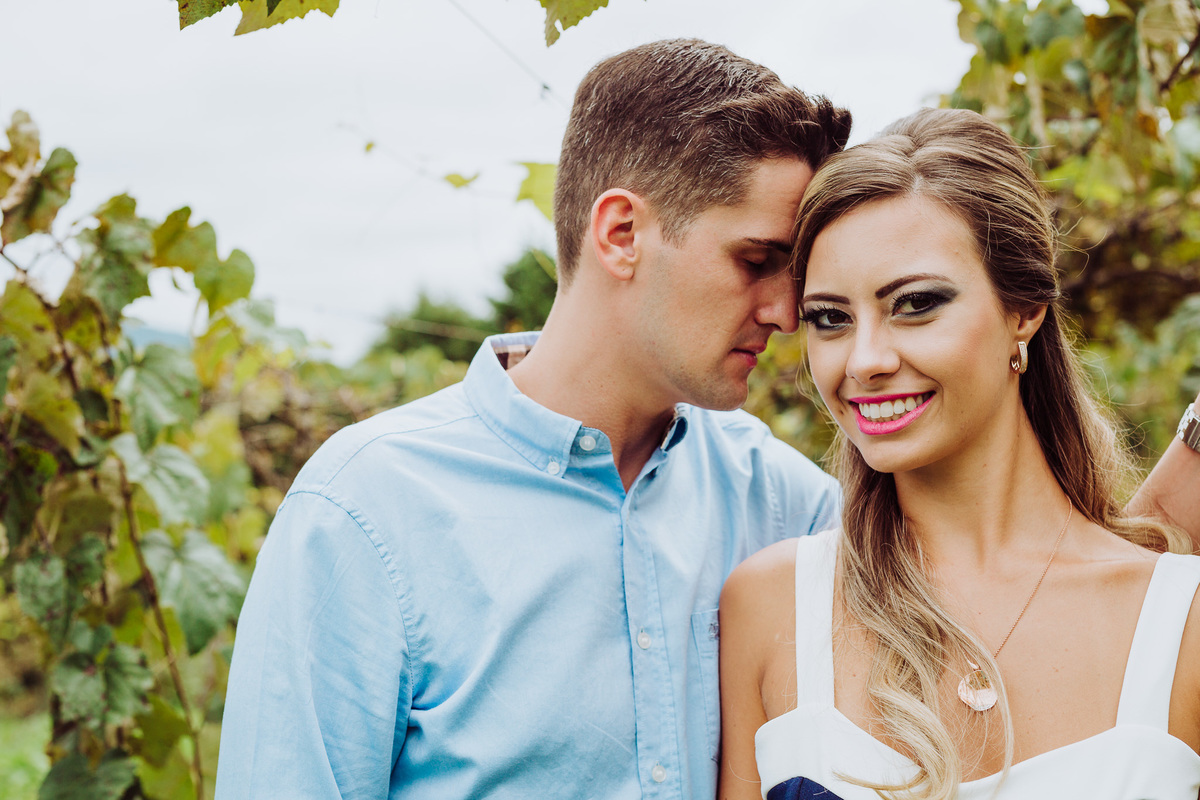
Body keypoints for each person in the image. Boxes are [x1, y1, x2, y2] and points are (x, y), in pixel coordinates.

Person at [215, 39, 852, 800]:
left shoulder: (786, 504)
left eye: (794, 275)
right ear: (621, 234)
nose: (785, 311)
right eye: (755, 261)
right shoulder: (363, 515)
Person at [717, 107, 1200, 800]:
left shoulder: (1181, 621)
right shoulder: (770, 607)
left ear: (1024, 307)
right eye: (830, 319)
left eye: (914, 304)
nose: (865, 361)